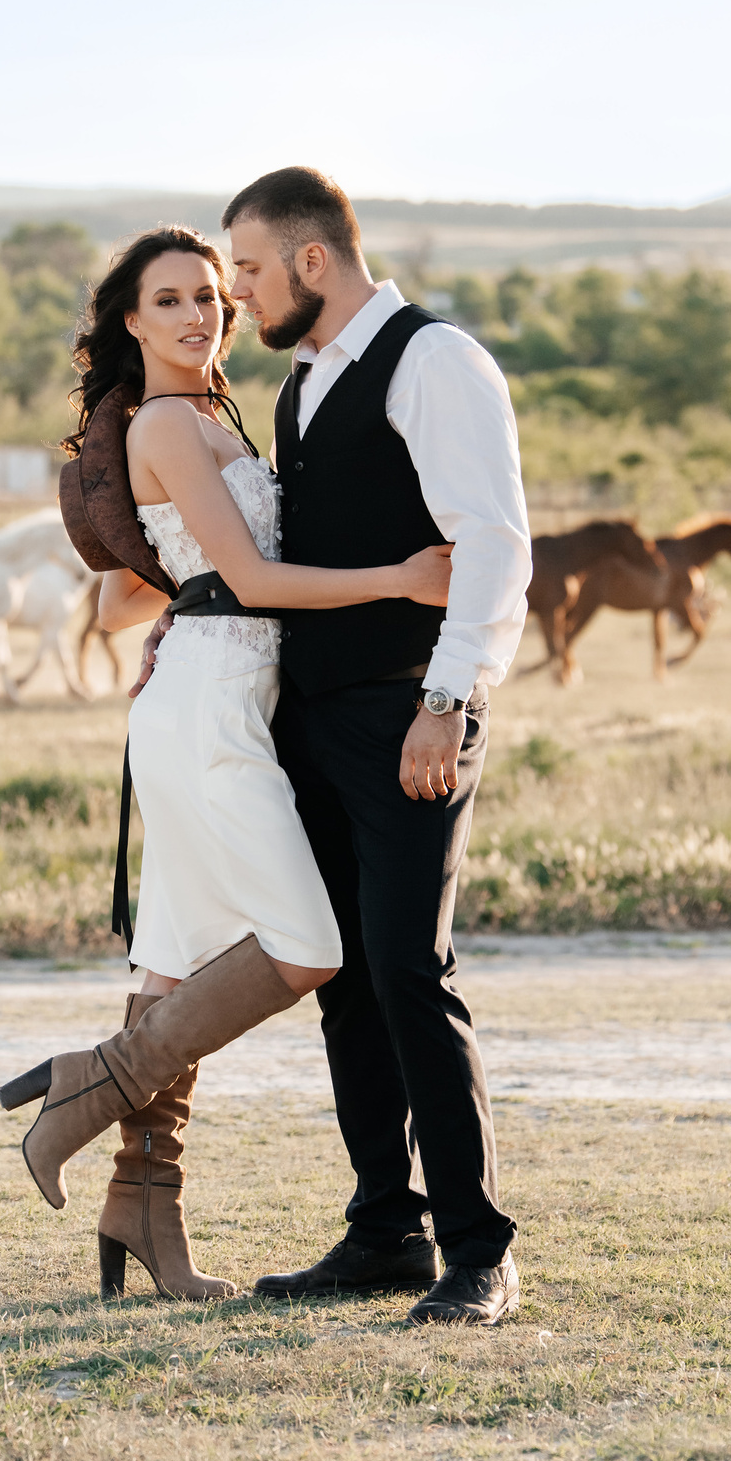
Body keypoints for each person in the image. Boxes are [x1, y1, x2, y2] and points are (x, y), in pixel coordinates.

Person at [0, 224, 454, 1304]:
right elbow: (251, 579)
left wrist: (183, 595)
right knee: (307, 947)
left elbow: (126, 597)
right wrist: (400, 578)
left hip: (221, 694)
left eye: (209, 295)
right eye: (169, 300)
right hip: (209, 710)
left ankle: (143, 1207)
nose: (198, 314)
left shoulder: (209, 419)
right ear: (130, 321)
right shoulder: (163, 422)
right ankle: (92, 1083)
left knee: (171, 962)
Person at [227, 167, 530, 1328]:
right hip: (313, 717)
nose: (238, 293)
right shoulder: (303, 382)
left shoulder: (433, 360)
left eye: (249, 269)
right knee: (346, 977)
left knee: (408, 969)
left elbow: (491, 545)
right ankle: (384, 1231)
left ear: (312, 259)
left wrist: (447, 700)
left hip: (412, 709)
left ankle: (478, 1251)